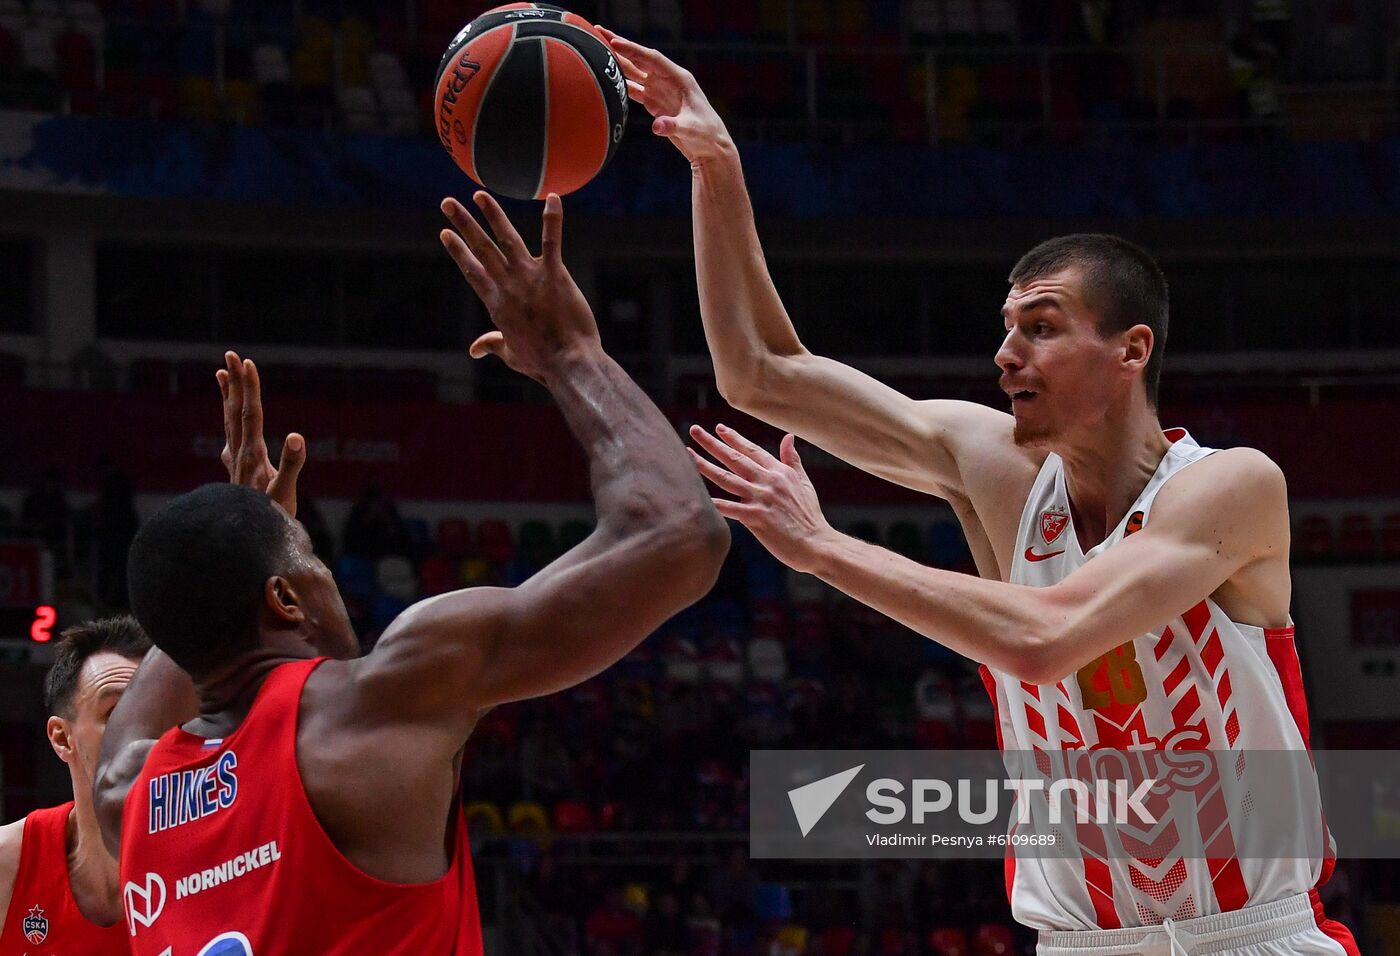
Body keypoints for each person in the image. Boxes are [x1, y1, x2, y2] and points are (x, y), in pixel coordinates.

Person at [599, 30, 1359, 956]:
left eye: (1041, 327)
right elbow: (761, 373)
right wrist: (716, 167)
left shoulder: (1230, 487)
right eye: (1007, 328)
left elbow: (1048, 638)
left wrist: (824, 549)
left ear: (1131, 352)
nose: (1006, 355)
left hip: (1250, 938)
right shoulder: (1000, 471)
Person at [94, 192, 729, 954]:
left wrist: (242, 534)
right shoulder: (381, 702)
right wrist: (571, 355)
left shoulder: (126, 793)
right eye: (306, 552)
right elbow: (680, 535)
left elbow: (191, 626)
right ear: (285, 596)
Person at [0, 616, 156, 953]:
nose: (144, 731)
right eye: (114, 712)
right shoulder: (7, 864)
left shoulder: (219, 860)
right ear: (62, 738)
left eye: (159, 712)